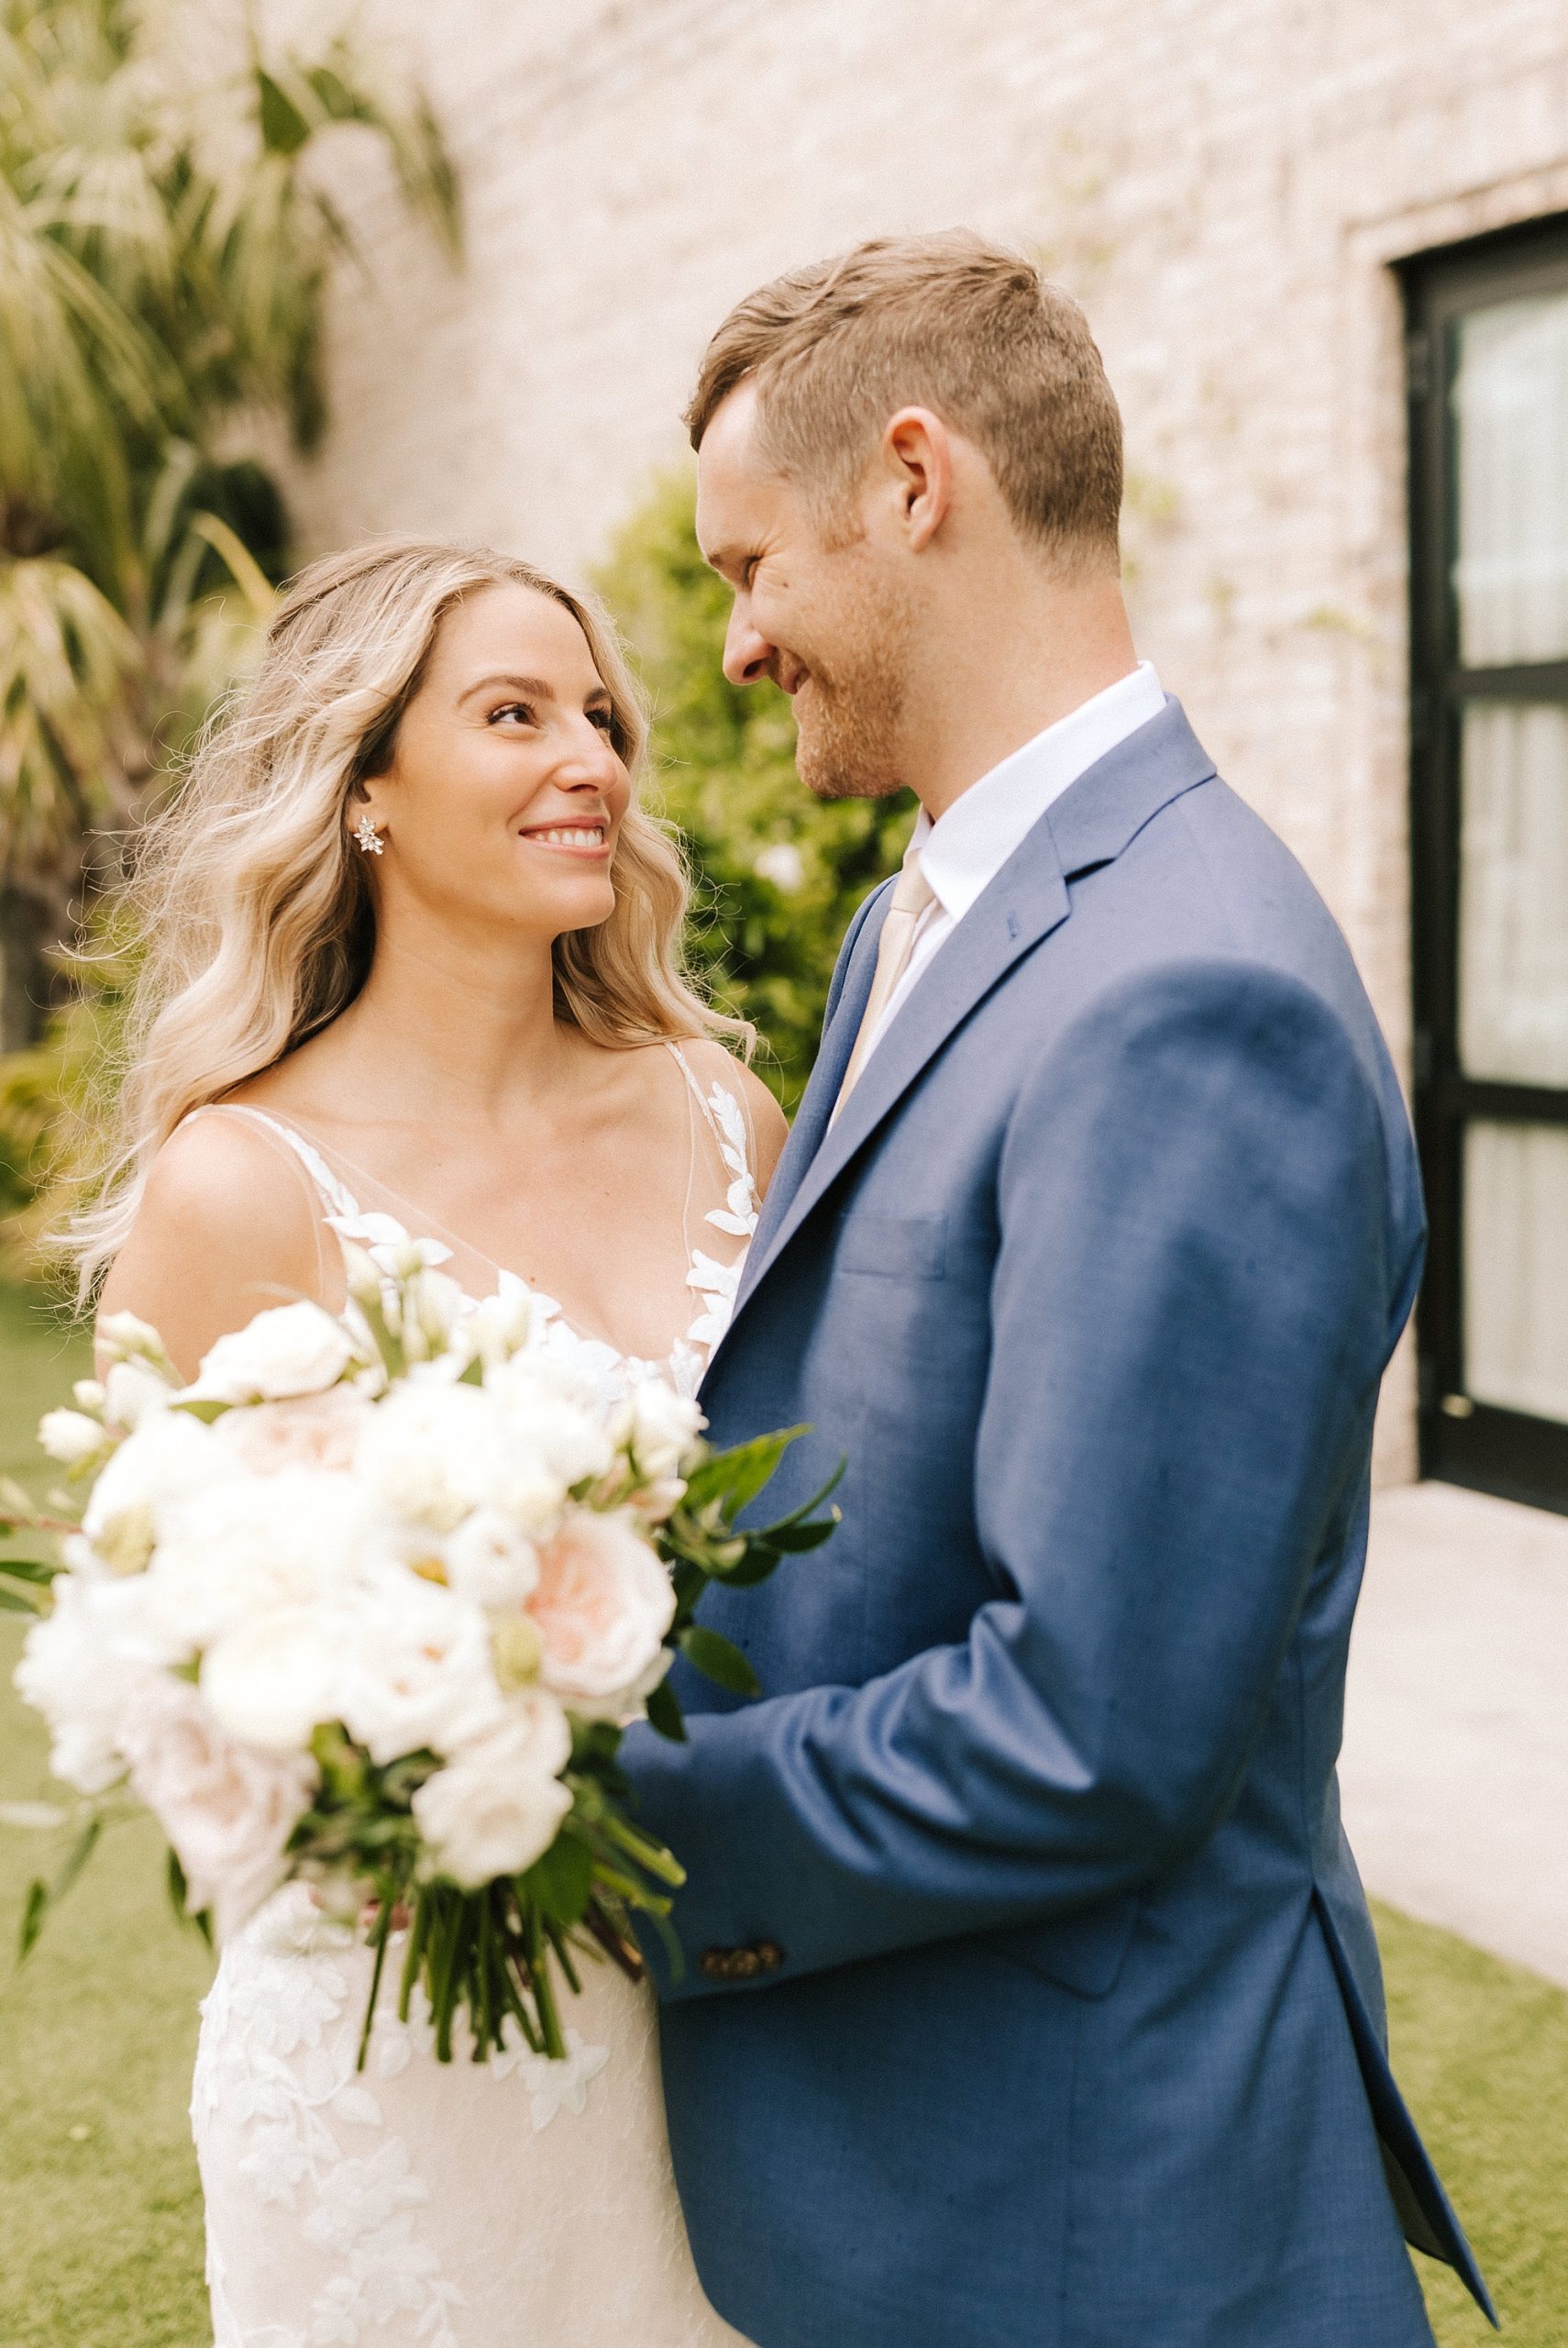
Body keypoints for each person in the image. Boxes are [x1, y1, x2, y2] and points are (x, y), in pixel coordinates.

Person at [619, 232, 1497, 2348]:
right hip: (935, 2149)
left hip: (1088, 2209)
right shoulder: (926, 913)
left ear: (914, 480)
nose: (737, 645)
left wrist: (612, 1826)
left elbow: (1093, 1730)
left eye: (753, 570)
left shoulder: (1189, 987)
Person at [86, 538, 785, 2348]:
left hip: (748, 2006)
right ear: (368, 785)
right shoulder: (241, 1182)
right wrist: (451, 1787)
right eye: (514, 713)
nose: (595, 760)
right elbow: (172, 1668)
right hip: (411, 2056)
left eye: (602, 716)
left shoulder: (724, 1116)